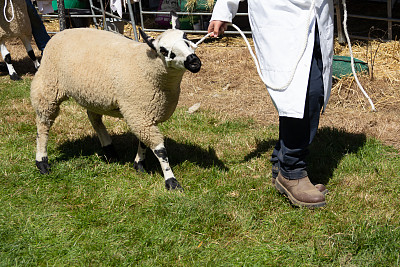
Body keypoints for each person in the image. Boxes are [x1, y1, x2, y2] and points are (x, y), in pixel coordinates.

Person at [208, 0, 334, 208]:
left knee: (311, 87)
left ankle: (281, 160)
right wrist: (224, 9)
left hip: (316, 12)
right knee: (301, 92)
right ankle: (292, 170)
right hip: (280, 14)